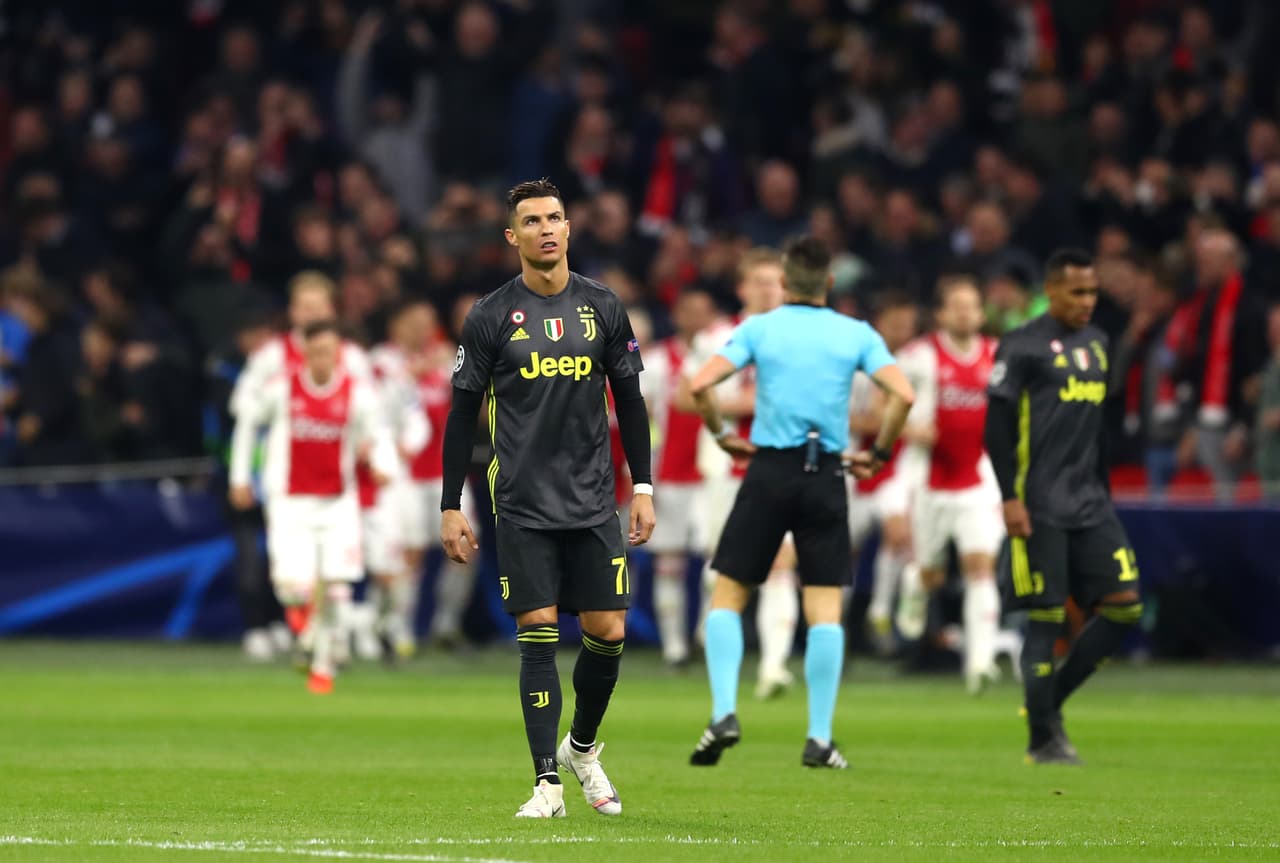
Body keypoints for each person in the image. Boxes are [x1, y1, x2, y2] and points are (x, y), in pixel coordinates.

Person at [438, 178, 655, 818]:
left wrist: (643, 487)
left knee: (607, 632)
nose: (546, 229)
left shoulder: (603, 306)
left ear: (568, 227)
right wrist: (450, 503)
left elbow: (631, 402)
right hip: (522, 501)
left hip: (593, 498)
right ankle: (546, 785)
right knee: (537, 630)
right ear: (513, 236)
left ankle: (581, 749)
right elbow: (462, 414)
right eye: (531, 221)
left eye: (554, 217)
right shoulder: (489, 316)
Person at [686, 236, 915, 769]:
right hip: (826, 473)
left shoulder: (761, 328)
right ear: (829, 283)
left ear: (785, 282)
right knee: (824, 605)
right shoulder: (855, 332)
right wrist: (880, 453)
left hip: (769, 469)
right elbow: (903, 395)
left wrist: (722, 435)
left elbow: (700, 384)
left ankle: (723, 713)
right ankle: (819, 737)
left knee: (729, 594)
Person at [984, 248, 1143, 764]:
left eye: (1092, 291)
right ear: (1050, 291)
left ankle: (1046, 703)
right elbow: (996, 430)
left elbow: (1097, 429)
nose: (1087, 301)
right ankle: (1042, 740)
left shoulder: (1098, 343)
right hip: (1039, 504)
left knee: (1125, 605)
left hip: (1091, 502)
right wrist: (1010, 498)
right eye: (1077, 292)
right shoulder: (1021, 345)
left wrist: (1105, 492)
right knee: (1046, 619)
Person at [228, 320, 396, 694]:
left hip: (338, 504)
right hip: (290, 503)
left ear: (338, 354)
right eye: (315, 352)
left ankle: (322, 666)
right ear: (304, 353)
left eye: (329, 352)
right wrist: (240, 477)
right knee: (293, 590)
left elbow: (379, 431)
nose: (322, 359)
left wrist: (384, 464)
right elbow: (247, 424)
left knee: (337, 587)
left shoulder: (357, 392)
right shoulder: (282, 388)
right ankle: (307, 632)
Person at [677, 249, 798, 700]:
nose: (768, 289)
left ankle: (773, 668)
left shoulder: (801, 337)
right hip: (725, 467)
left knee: (781, 563)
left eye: (775, 281)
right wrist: (738, 405)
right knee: (724, 566)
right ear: (743, 287)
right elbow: (685, 398)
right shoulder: (716, 337)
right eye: (760, 281)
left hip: (782, 464)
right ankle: (714, 647)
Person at [896, 275, 1008, 693]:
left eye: (971, 306)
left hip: (978, 480)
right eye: (956, 306)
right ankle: (915, 582)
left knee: (980, 566)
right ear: (941, 313)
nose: (965, 314)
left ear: (980, 313)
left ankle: (979, 663)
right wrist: (909, 428)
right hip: (929, 481)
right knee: (932, 574)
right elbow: (883, 407)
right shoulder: (917, 357)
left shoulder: (998, 356)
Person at [641, 287, 718, 667]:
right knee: (669, 561)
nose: (697, 319)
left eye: (705, 311)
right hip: (670, 474)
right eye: (690, 311)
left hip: (713, 475)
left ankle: (705, 633)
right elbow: (639, 416)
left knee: (716, 559)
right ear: (677, 316)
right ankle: (674, 647)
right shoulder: (656, 361)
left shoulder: (725, 357)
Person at [845, 291, 921, 655]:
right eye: (895, 325)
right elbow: (847, 416)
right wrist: (884, 420)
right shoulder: (855, 366)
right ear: (879, 325)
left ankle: (879, 611)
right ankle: (838, 622)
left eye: (908, 326)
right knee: (845, 550)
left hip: (896, 467)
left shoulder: (917, 363)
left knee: (898, 533)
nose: (902, 332)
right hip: (855, 467)